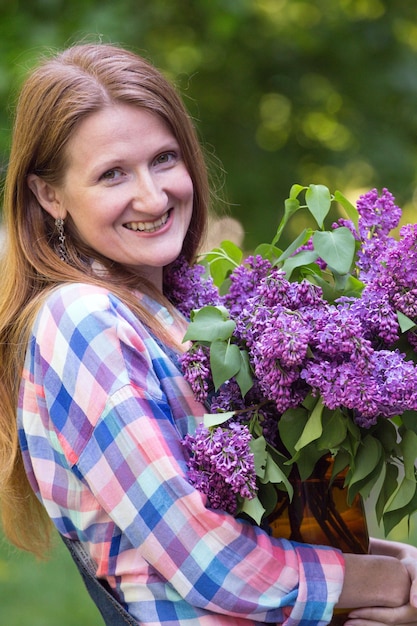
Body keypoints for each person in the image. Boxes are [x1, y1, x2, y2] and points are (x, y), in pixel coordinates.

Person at [0, 41, 416, 626]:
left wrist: (398, 570)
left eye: (165, 159)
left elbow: (264, 528)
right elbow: (203, 557)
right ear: (50, 195)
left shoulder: (177, 319)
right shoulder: (82, 319)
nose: (153, 195)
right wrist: (390, 583)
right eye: (113, 174)